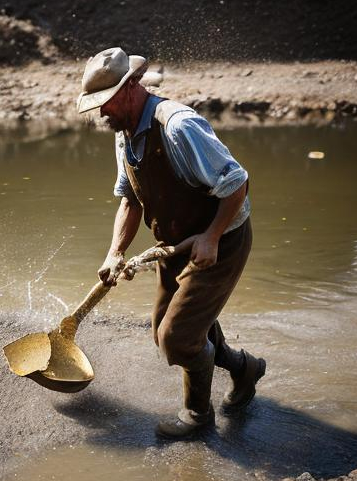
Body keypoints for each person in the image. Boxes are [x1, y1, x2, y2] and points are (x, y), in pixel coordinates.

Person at [77, 47, 266, 439]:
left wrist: (212, 237)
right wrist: (115, 252)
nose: (100, 113)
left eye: (104, 103)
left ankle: (198, 416)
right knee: (166, 329)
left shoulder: (179, 126)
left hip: (221, 240)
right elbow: (130, 197)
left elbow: (237, 184)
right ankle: (244, 367)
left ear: (130, 88)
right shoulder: (124, 132)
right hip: (176, 243)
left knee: (176, 339)